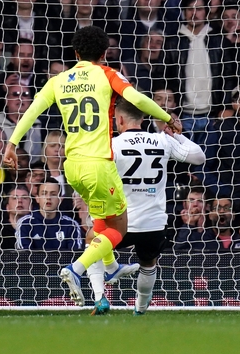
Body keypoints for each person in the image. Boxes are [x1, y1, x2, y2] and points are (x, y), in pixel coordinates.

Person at [2, 26, 181, 307]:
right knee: (120, 226)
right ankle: (76, 268)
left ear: (76, 53)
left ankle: (110, 267)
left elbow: (32, 110)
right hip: (98, 163)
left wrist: (12, 144)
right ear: (105, 53)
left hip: (71, 166)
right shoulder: (108, 74)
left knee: (100, 220)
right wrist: (166, 116)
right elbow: (135, 99)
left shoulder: (58, 80)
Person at [84, 97, 205, 315]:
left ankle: (100, 297)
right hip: (154, 223)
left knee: (92, 240)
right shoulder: (161, 141)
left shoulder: (110, 145)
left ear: (119, 119)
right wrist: (176, 134)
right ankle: (140, 309)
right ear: (143, 118)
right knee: (148, 263)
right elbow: (199, 157)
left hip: (121, 224)